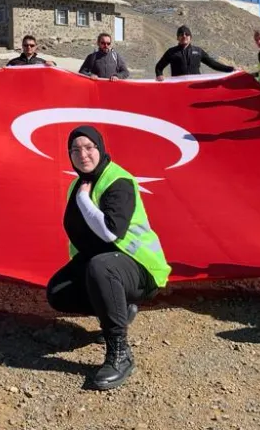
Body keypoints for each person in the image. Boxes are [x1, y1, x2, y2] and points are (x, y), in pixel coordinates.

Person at [46, 126, 170, 390]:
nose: (83, 154)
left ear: (100, 149)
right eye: (75, 150)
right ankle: (119, 310)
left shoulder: (117, 181)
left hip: (140, 267)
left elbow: (110, 232)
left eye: (89, 147)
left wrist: (83, 199)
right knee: (58, 292)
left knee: (100, 267)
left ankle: (119, 353)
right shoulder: (77, 183)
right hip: (104, 264)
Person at [154, 26, 234, 80]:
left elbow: (213, 64)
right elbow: (159, 67)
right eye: (181, 34)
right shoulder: (171, 52)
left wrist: (231, 69)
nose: (184, 36)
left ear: (190, 37)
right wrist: (159, 75)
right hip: (178, 88)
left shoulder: (198, 51)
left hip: (194, 87)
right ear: (178, 38)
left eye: (187, 34)